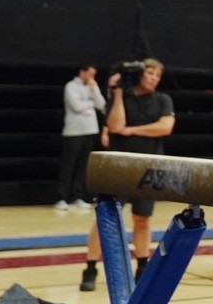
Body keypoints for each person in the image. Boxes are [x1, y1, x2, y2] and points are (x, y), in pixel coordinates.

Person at [80, 59, 175, 291]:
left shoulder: (163, 100)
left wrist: (132, 130)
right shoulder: (120, 96)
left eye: (157, 76)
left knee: (142, 219)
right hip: (120, 166)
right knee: (106, 217)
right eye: (150, 73)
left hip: (149, 166)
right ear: (141, 74)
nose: (153, 78)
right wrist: (119, 94)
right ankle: (90, 268)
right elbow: (115, 125)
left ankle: (142, 266)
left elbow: (165, 127)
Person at [56, 64, 107, 212]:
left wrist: (94, 90)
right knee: (68, 165)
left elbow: (102, 105)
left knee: (82, 166)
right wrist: (90, 104)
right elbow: (76, 106)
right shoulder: (71, 86)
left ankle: (77, 196)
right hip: (74, 132)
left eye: (94, 75)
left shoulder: (92, 86)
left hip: (90, 130)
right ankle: (61, 197)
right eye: (90, 74)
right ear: (82, 72)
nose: (92, 77)